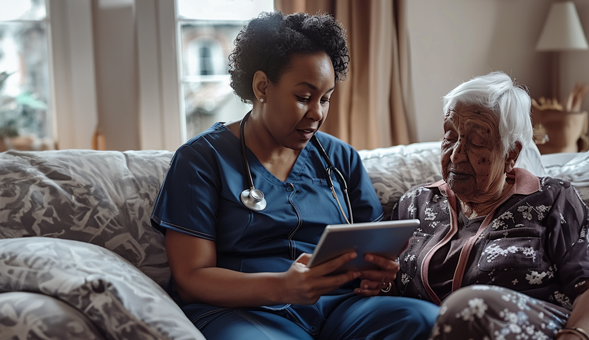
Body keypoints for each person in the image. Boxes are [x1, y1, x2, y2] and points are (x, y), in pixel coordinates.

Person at [151, 11, 438, 340]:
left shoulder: (340, 158)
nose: (317, 113)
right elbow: (191, 279)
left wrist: (378, 272)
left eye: (325, 99)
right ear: (262, 86)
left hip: (339, 307)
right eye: (304, 97)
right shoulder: (201, 160)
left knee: (426, 320)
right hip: (246, 311)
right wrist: (282, 286)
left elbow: (373, 246)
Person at [391, 71, 589, 340]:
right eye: (450, 136)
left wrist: (576, 335)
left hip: (548, 331)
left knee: (468, 308)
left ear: (511, 153)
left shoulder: (551, 199)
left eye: (476, 142)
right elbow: (387, 286)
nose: (455, 153)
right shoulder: (415, 204)